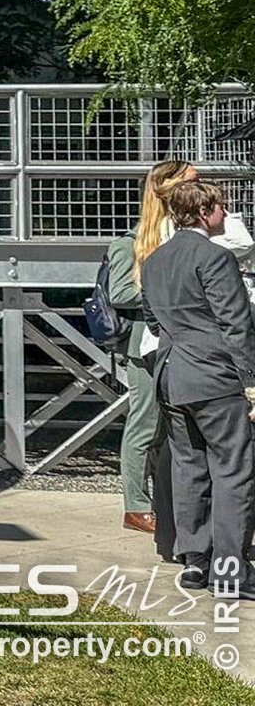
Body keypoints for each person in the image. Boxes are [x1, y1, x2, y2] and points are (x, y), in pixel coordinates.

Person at [142, 177, 255, 596]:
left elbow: (154, 322)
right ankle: (231, 570)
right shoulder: (215, 258)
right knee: (232, 470)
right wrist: (250, 381)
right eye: (221, 207)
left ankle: (194, 561)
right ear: (204, 212)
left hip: (171, 375)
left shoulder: (154, 261)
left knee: (188, 468)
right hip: (213, 376)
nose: (225, 214)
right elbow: (235, 324)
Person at [109, 159, 194, 536]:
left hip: (181, 342)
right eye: (191, 181)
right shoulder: (130, 243)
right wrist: (166, 288)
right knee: (144, 423)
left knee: (172, 427)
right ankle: (135, 505)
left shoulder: (184, 236)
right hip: (146, 346)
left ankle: (166, 501)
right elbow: (120, 293)